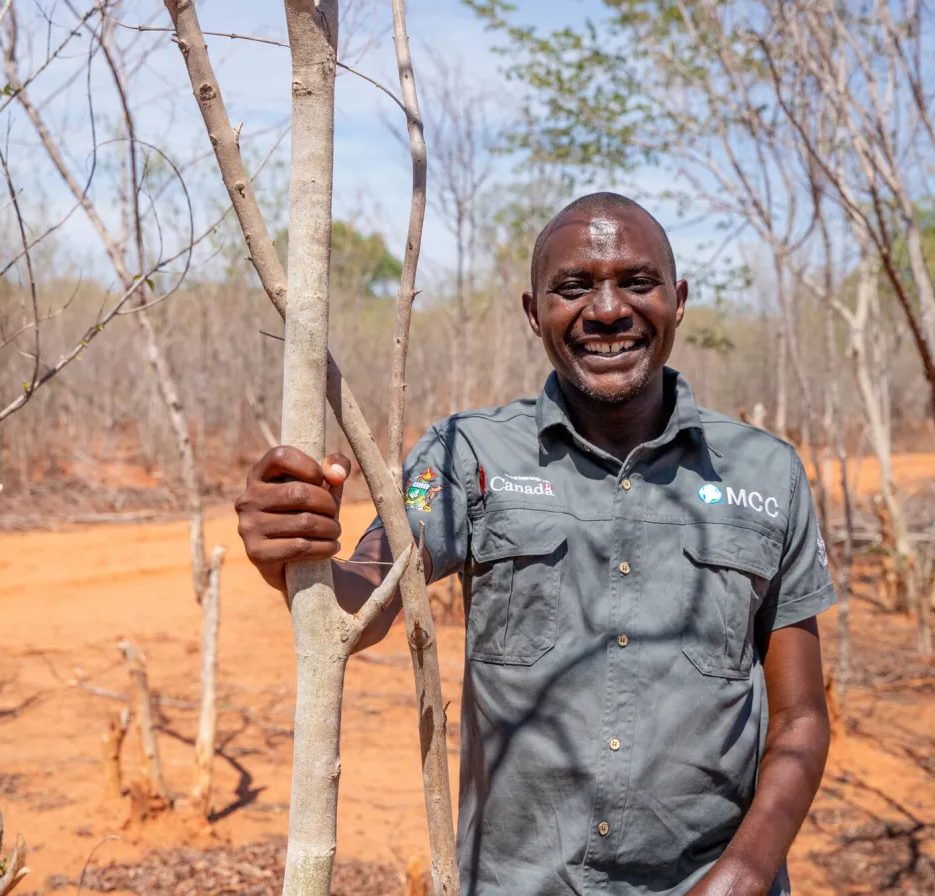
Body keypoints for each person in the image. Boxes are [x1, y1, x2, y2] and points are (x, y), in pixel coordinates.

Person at [236, 192, 836, 896]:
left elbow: (800, 714)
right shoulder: (462, 456)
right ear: (533, 313)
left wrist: (743, 875)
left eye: (637, 283)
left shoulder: (768, 473)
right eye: (573, 287)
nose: (608, 310)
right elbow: (365, 594)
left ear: (677, 300)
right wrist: (293, 554)